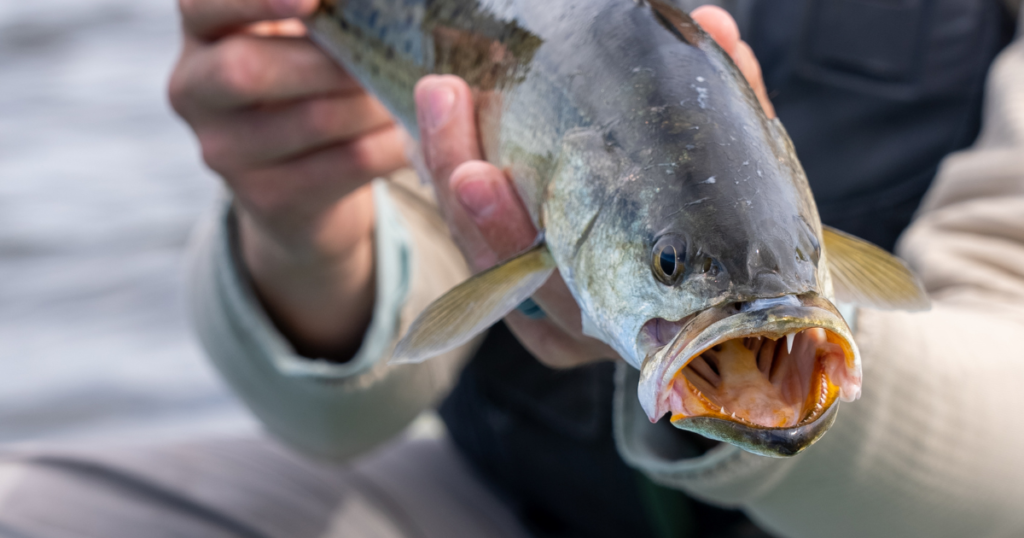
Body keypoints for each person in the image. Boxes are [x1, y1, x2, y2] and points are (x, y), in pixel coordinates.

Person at [1, 1, 1022, 537]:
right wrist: (301, 219)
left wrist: (759, 363)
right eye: (666, 262)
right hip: (503, 504)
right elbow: (344, 415)